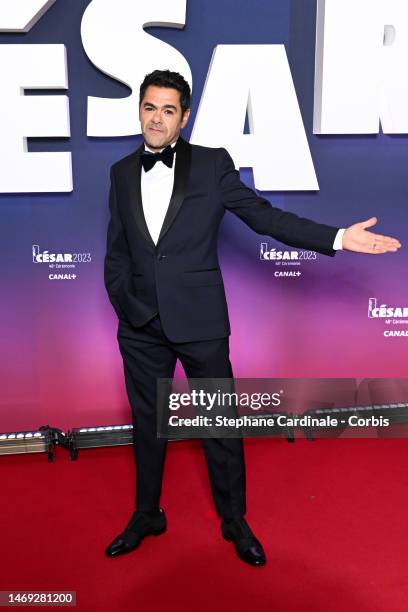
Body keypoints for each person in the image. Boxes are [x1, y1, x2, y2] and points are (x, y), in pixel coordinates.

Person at [103, 70, 401, 566]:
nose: (157, 119)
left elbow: (266, 217)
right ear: (139, 110)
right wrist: (128, 307)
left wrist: (336, 236)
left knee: (220, 423)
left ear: (185, 116)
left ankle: (235, 520)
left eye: (168, 110)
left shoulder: (212, 166)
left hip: (200, 322)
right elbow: (116, 252)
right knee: (146, 423)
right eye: (150, 108)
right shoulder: (118, 172)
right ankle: (146, 513)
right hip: (140, 326)